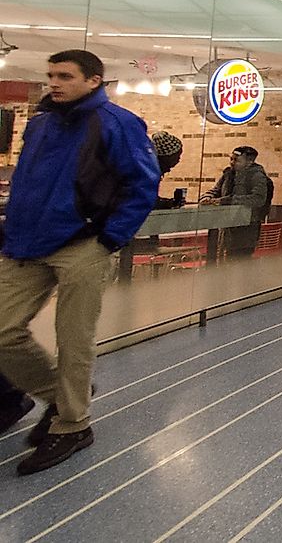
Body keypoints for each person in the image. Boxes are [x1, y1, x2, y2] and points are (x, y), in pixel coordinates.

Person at [0, 49, 158, 474]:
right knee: (2, 330)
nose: (54, 82)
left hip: (83, 244)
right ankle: (61, 392)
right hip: (26, 244)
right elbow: (28, 183)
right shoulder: (40, 124)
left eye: (65, 76)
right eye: (51, 75)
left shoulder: (117, 123)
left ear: (93, 81)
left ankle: (72, 424)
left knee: (74, 340)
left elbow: (143, 184)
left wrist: (108, 239)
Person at [200, 145, 270, 258]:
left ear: (249, 162)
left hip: (246, 228)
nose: (232, 162)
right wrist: (206, 197)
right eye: (231, 159)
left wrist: (229, 201)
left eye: (236, 160)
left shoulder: (257, 176)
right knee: (224, 260)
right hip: (227, 225)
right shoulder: (228, 174)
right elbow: (216, 190)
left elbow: (258, 199)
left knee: (239, 261)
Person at [151, 131, 184, 209]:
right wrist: (169, 203)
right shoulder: (149, 173)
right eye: (177, 156)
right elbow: (146, 202)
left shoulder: (151, 170)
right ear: (167, 157)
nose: (179, 159)